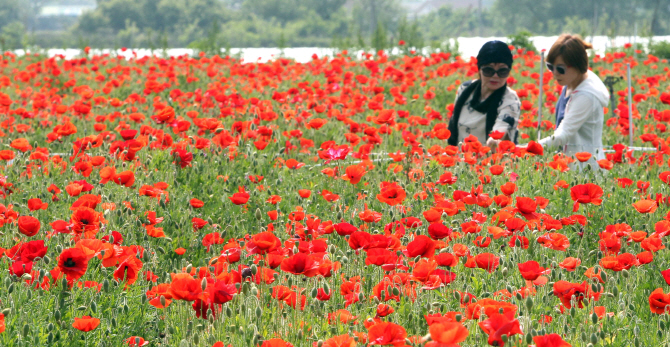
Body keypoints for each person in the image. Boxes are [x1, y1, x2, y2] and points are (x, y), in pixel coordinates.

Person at [537, 34, 609, 167]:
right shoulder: (572, 81)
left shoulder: (587, 96)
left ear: (578, 66)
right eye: (550, 67)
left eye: (560, 69)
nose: (554, 73)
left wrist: (530, 149)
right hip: (570, 165)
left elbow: (562, 135)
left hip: (586, 170)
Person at [448, 40, 521, 148]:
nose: (495, 76)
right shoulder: (465, 90)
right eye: (488, 70)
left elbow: (501, 129)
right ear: (479, 70)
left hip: (490, 161)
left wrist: (494, 140)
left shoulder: (510, 99)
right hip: (460, 160)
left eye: (502, 71)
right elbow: (453, 124)